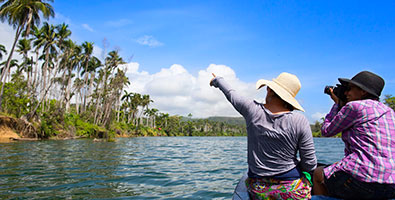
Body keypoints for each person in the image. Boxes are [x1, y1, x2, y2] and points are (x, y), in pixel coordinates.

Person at [210, 72, 317, 199]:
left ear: (269, 89)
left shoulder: (252, 110)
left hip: (259, 191)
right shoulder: (300, 120)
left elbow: (231, 93)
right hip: (291, 191)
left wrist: (217, 80)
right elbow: (310, 164)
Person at [313, 71, 395, 199]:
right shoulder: (389, 111)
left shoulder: (354, 106)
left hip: (363, 182)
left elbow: (326, 131)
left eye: (350, 89)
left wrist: (337, 104)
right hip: (391, 183)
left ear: (363, 91)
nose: (346, 93)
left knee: (318, 174)